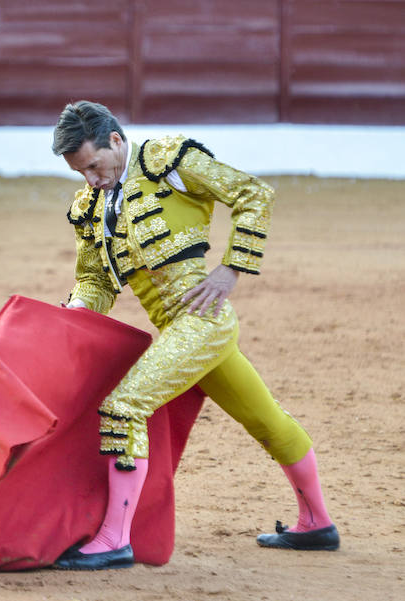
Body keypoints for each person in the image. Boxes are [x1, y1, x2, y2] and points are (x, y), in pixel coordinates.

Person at [50, 100, 339, 570]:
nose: (91, 180)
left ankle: (114, 540)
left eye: (94, 166)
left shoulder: (168, 161)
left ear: (116, 142)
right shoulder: (89, 207)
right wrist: (74, 314)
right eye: (81, 172)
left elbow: (252, 194)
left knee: (124, 407)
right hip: (179, 332)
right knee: (265, 418)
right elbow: (97, 281)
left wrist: (231, 269)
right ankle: (318, 524)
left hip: (204, 322)